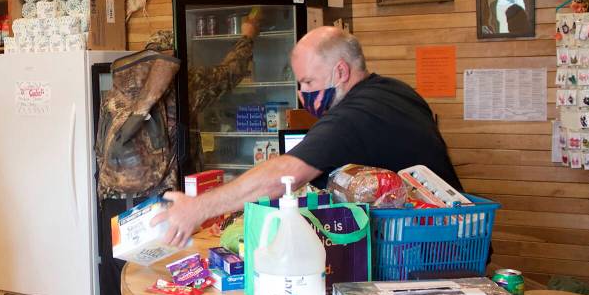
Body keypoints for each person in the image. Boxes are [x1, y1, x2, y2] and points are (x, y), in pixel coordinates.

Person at [155, 26, 462, 246]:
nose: (302, 95)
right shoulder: (395, 91)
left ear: (340, 72)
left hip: (434, 247)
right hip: (444, 233)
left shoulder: (354, 115)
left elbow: (285, 175)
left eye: (308, 82)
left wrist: (197, 208)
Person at [99, 8, 265, 295]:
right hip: (163, 194)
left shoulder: (120, 88)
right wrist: (249, 34)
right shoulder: (188, 82)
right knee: (169, 266)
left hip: (113, 193)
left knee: (115, 267)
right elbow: (231, 72)